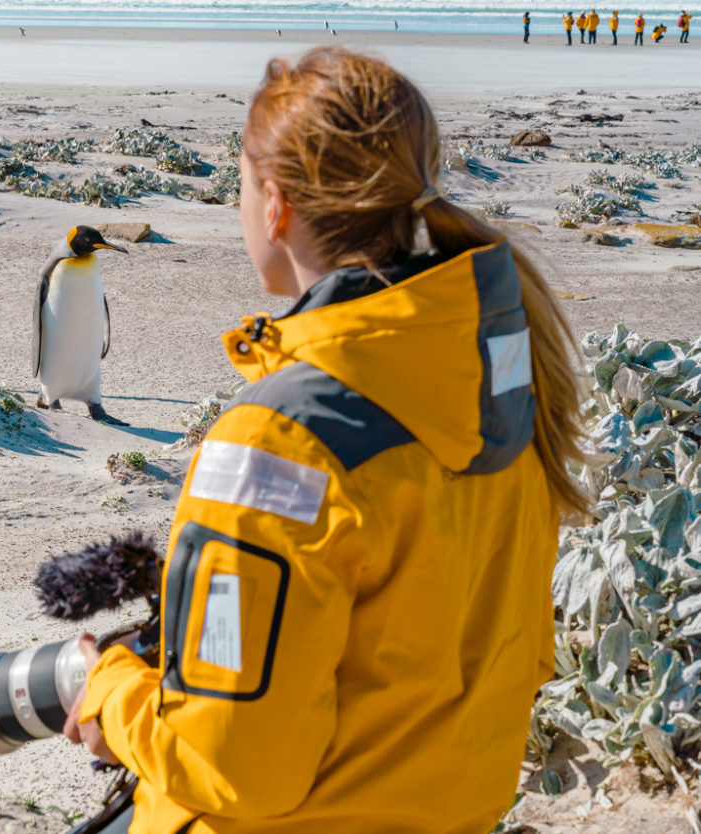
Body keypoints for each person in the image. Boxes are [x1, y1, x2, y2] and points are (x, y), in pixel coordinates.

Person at [63, 46, 585, 834]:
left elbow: (234, 770)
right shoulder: (499, 388)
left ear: (274, 205)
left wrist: (110, 691)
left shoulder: (279, 444)